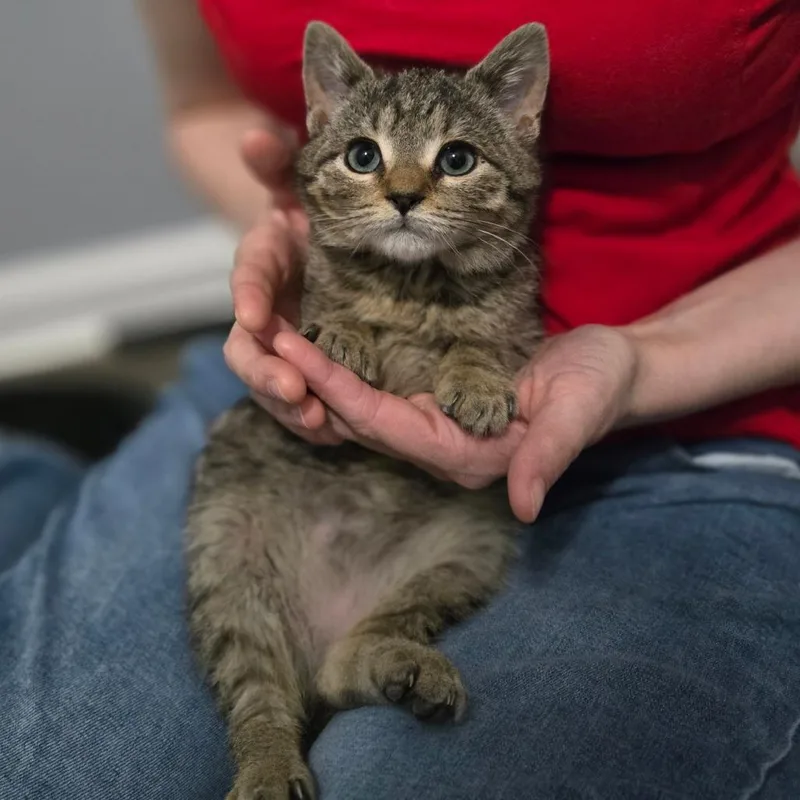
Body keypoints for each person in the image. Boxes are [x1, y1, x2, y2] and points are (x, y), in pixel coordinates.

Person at [2, 1, 799, 797]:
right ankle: (261, 725)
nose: (408, 188)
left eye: (453, 160)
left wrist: (638, 361)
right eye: (366, 156)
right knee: (57, 775)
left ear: (521, 118)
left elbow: (488, 353)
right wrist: (292, 239)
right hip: (284, 424)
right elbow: (203, 108)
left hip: (699, 430)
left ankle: (364, 644)